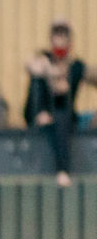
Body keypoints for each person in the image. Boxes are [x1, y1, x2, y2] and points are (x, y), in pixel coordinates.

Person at [24, 19, 97, 188]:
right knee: (40, 85)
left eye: (64, 35)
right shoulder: (43, 60)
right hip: (40, 114)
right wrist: (51, 73)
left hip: (65, 118)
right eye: (57, 35)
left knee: (62, 112)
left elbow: (90, 75)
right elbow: (31, 65)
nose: (60, 40)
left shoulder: (75, 66)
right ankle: (62, 170)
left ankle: (63, 170)